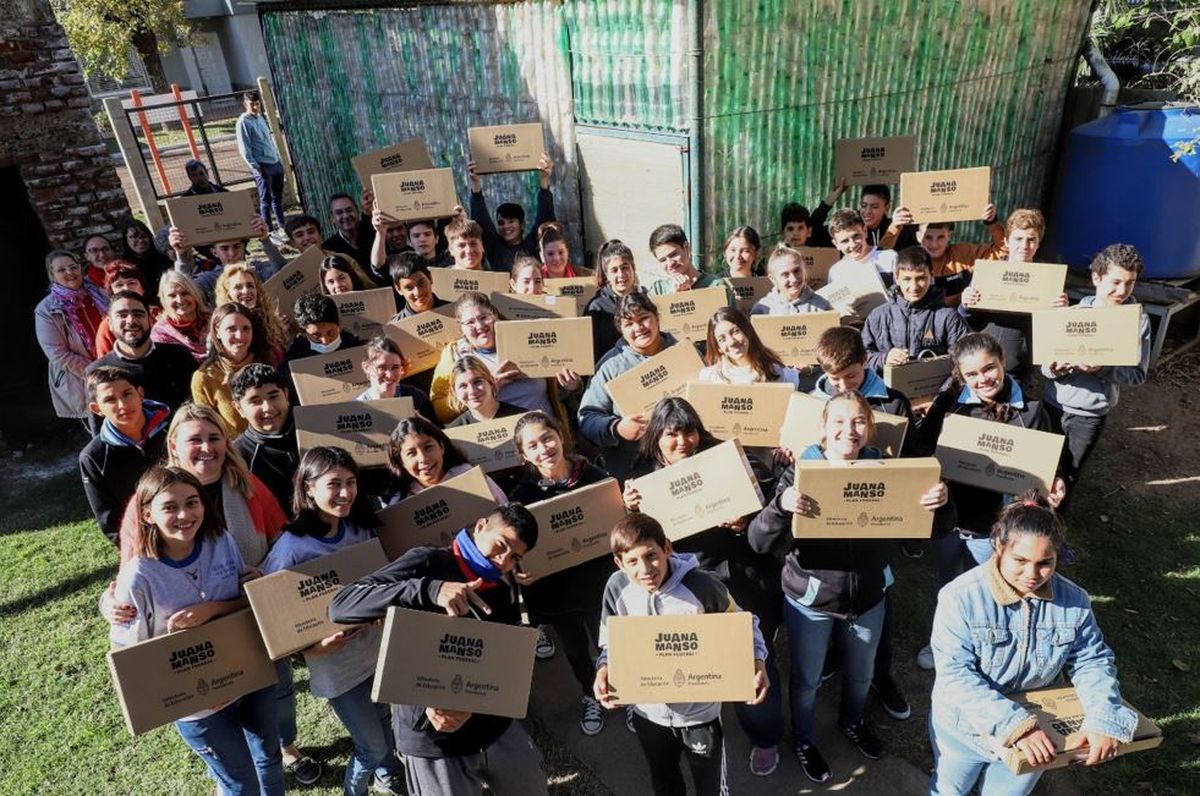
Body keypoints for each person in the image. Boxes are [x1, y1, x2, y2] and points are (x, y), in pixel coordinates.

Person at [747, 391, 948, 783]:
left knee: (861, 674)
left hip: (868, 598)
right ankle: (804, 739)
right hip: (811, 601)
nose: (848, 430)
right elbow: (757, 541)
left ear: (869, 428)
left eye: (858, 421)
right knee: (806, 680)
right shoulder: (798, 472)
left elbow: (917, 541)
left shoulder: (888, 471)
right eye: (838, 421)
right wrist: (780, 506)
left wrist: (941, 506)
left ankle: (852, 721)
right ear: (822, 428)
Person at [329, 503, 548, 795]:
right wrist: (430, 589)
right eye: (501, 545)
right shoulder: (428, 561)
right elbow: (341, 605)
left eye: (514, 557)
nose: (503, 560)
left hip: (493, 726)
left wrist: (475, 699)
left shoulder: (505, 580)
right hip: (432, 740)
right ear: (481, 526)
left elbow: (501, 652)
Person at [929, 494, 1138, 795]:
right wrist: (1017, 726)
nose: (1032, 575)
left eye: (1045, 563)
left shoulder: (1075, 601)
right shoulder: (959, 598)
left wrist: (1103, 717)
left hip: (1039, 739)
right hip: (965, 732)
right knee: (950, 789)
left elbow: (1092, 660)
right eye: (1021, 561)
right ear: (999, 547)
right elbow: (955, 675)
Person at [621, 398, 785, 774]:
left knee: (752, 659)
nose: (683, 441)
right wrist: (630, 510)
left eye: (689, 430)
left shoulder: (725, 459)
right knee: (692, 658)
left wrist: (745, 519)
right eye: (671, 434)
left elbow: (766, 513)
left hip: (738, 576)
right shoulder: (642, 477)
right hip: (680, 585)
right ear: (656, 438)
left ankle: (764, 735)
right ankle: (691, 724)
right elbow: (634, 544)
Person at [109, 466, 284, 795]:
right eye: (170, 507)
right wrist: (191, 691)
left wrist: (212, 610)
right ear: (147, 514)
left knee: (269, 759)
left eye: (192, 503)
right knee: (240, 782)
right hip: (200, 706)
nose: (184, 515)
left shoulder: (221, 541)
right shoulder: (138, 577)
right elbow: (132, 661)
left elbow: (246, 601)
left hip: (250, 677)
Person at [594, 513, 770, 793]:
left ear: (666, 547)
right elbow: (610, 642)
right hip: (648, 713)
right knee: (663, 780)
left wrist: (757, 660)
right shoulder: (617, 588)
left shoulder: (703, 587)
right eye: (632, 561)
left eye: (651, 555)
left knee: (709, 785)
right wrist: (604, 670)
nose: (645, 569)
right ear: (619, 563)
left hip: (700, 715)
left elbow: (745, 624)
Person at [263, 447, 403, 795]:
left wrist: (381, 613)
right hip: (338, 670)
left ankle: (390, 776)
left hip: (375, 653)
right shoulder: (291, 550)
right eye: (334, 484)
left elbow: (379, 584)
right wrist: (314, 647)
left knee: (385, 721)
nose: (345, 493)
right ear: (308, 488)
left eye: (351, 482)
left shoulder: (359, 529)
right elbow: (273, 619)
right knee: (370, 747)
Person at [912, 333, 1066, 630]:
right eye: (972, 374)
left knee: (986, 589)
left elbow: (1047, 463)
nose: (983, 379)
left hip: (993, 526)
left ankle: (984, 639)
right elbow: (921, 449)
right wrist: (930, 481)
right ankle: (948, 639)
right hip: (947, 519)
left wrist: (1055, 481)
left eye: (989, 368)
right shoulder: (949, 404)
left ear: (1003, 361)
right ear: (960, 375)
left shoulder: (1031, 412)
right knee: (949, 586)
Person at [507, 412, 613, 735]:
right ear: (524, 455)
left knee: (610, 643)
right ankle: (589, 693)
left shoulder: (595, 475)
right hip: (555, 590)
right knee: (577, 649)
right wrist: (519, 572)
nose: (544, 449)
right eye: (533, 445)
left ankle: (624, 693)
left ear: (561, 436)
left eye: (547, 438)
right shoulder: (521, 498)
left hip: (599, 583)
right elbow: (515, 550)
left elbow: (615, 522)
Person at [1042, 243, 1150, 516]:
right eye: (1115, 282)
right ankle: (1029, 522)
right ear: (1096, 278)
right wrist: (1056, 369)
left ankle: (1055, 530)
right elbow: (1044, 367)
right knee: (1041, 469)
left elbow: (1137, 374)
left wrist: (1101, 369)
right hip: (1053, 405)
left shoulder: (1137, 322)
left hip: (1089, 415)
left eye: (1130, 283)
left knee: (1069, 475)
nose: (1122, 291)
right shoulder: (1071, 315)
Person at [428, 292, 579, 428]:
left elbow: (559, 389)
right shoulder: (455, 354)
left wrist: (571, 386)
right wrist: (487, 389)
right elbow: (440, 412)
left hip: (543, 431)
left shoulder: (526, 340)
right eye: (470, 322)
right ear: (461, 328)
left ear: (495, 316)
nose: (479, 326)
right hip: (498, 440)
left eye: (484, 318)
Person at [578, 292, 684, 481]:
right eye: (629, 324)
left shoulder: (683, 352)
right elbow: (587, 417)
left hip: (687, 459)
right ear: (621, 330)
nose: (639, 328)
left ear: (657, 318)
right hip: (637, 469)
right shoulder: (609, 366)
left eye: (644, 319)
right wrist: (616, 428)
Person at [958, 208, 1067, 384]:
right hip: (984, 368)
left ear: (1039, 243)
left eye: (1031, 240)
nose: (1024, 246)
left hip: (1019, 371)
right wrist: (965, 306)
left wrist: (1060, 311)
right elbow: (969, 323)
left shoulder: (1047, 281)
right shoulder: (987, 274)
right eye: (1018, 239)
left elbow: (1051, 332)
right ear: (1007, 241)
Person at [79, 366, 171, 543]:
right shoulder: (93, 457)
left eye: (127, 394)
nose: (123, 405)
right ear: (97, 408)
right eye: (110, 400)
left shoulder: (174, 429)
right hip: (146, 544)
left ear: (140, 394)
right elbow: (111, 523)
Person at [861, 246, 970, 374]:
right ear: (896, 278)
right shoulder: (878, 316)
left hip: (936, 391)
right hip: (886, 392)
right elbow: (862, 357)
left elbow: (964, 361)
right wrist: (884, 358)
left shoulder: (948, 317)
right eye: (907, 279)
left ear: (932, 275)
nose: (914, 287)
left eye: (921, 278)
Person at [92, 291, 197, 411]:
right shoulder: (98, 371)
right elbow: (100, 427)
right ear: (110, 323)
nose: (131, 321)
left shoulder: (179, 356)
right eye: (122, 315)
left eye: (138, 314)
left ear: (150, 320)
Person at [35, 250, 108, 420]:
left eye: (73, 267)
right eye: (61, 270)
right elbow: (57, 354)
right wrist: (97, 370)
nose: (69, 273)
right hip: (84, 380)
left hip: (117, 366)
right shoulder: (45, 310)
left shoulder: (100, 294)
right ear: (52, 275)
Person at [893, 204, 1006, 306]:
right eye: (928, 237)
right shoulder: (909, 259)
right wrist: (895, 227)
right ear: (918, 236)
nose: (934, 244)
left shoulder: (964, 254)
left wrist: (992, 223)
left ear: (949, 236)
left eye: (941, 237)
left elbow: (1003, 251)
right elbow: (879, 255)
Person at [192, 303, 275, 436]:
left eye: (246, 329)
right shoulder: (204, 378)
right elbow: (208, 429)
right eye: (231, 329)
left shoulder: (266, 363)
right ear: (217, 331)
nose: (240, 336)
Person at [385, 416, 507, 506]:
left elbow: (505, 510)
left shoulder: (470, 476)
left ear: (442, 447)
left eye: (428, 448)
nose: (423, 459)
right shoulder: (402, 503)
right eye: (411, 453)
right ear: (401, 462)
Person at [468, 153, 556, 271]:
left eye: (511, 221)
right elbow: (481, 218)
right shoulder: (495, 248)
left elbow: (545, 217)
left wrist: (544, 179)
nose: (506, 226)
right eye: (501, 223)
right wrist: (475, 184)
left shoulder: (532, 245)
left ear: (522, 224)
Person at [168, 214, 286, 303]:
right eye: (224, 248)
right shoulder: (209, 279)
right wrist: (181, 255)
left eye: (236, 246)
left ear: (244, 247)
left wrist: (265, 240)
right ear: (214, 252)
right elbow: (184, 291)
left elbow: (284, 272)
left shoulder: (258, 269)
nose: (232, 253)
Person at [232, 363, 299, 516]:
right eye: (255, 401)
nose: (267, 407)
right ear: (239, 409)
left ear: (286, 395)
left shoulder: (315, 428)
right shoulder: (238, 456)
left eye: (273, 396)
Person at [699, 306, 802, 387]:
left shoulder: (780, 375)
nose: (731, 342)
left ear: (747, 331)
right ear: (718, 348)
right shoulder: (709, 379)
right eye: (722, 339)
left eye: (735, 332)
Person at [214, 264, 288, 363]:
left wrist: (282, 332)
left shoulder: (267, 319)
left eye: (250, 286)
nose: (246, 291)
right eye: (238, 287)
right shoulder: (221, 327)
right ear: (228, 294)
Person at [584, 239, 644, 362]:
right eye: (614, 270)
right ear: (607, 275)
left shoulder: (646, 299)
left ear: (633, 268)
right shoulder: (597, 308)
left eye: (625, 267)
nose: (621, 274)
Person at [235, 89, 286, 233]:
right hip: (262, 165)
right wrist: (256, 167)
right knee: (266, 200)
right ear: (245, 104)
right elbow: (245, 149)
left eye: (257, 104)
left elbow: (269, 140)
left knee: (278, 197)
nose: (256, 107)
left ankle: (282, 226)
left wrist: (279, 160)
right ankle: (269, 231)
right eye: (252, 104)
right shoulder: (243, 122)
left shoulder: (260, 118)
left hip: (275, 162)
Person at [355, 335, 437, 421]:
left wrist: (422, 422)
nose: (389, 375)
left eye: (395, 367)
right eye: (382, 367)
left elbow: (440, 432)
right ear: (366, 367)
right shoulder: (356, 409)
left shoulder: (416, 397)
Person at [645, 224, 733, 300]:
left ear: (686, 247)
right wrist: (674, 296)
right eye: (663, 260)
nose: (670, 264)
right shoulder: (657, 291)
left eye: (673, 255)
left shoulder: (717, 286)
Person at [750, 244, 835, 316]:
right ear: (773, 279)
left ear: (804, 270)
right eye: (785, 274)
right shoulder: (762, 309)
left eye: (797, 271)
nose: (793, 279)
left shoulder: (822, 306)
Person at [827, 208, 899, 290]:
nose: (853, 244)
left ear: (865, 231)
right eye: (845, 241)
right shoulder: (836, 272)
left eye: (856, 236)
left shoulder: (889, 258)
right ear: (836, 244)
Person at [444, 356, 526, 428]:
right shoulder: (454, 432)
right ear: (454, 392)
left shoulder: (523, 419)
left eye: (477, 382)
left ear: (491, 382)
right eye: (463, 386)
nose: (472, 391)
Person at [94, 261, 155, 357]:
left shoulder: (159, 314)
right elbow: (105, 363)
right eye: (119, 285)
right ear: (112, 293)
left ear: (143, 288)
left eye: (131, 283)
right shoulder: (108, 325)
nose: (126, 288)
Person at [285, 293, 364, 361]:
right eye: (316, 335)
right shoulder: (295, 358)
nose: (325, 342)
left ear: (339, 325)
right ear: (304, 333)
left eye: (331, 333)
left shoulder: (356, 347)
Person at [323, 192, 379, 279]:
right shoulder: (329, 248)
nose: (345, 216)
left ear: (357, 211)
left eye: (349, 210)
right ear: (332, 218)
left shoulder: (374, 231)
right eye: (339, 213)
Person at [780, 178, 846, 249]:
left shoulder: (817, 243)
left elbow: (822, 210)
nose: (796, 233)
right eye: (790, 229)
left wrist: (838, 192)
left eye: (800, 228)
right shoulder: (777, 256)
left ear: (809, 232)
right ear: (782, 233)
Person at [387, 252, 450, 320]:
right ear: (398, 289)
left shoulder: (454, 312)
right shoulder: (395, 328)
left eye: (421, 283)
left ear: (430, 278)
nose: (418, 292)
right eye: (409, 288)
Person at [859, 184, 918, 250]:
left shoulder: (902, 228)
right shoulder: (856, 230)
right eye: (863, 206)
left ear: (887, 208)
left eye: (874, 207)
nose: (867, 211)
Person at [120, 219, 173, 289]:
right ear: (126, 240)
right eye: (134, 237)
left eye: (144, 236)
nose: (140, 240)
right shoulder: (124, 267)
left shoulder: (163, 260)